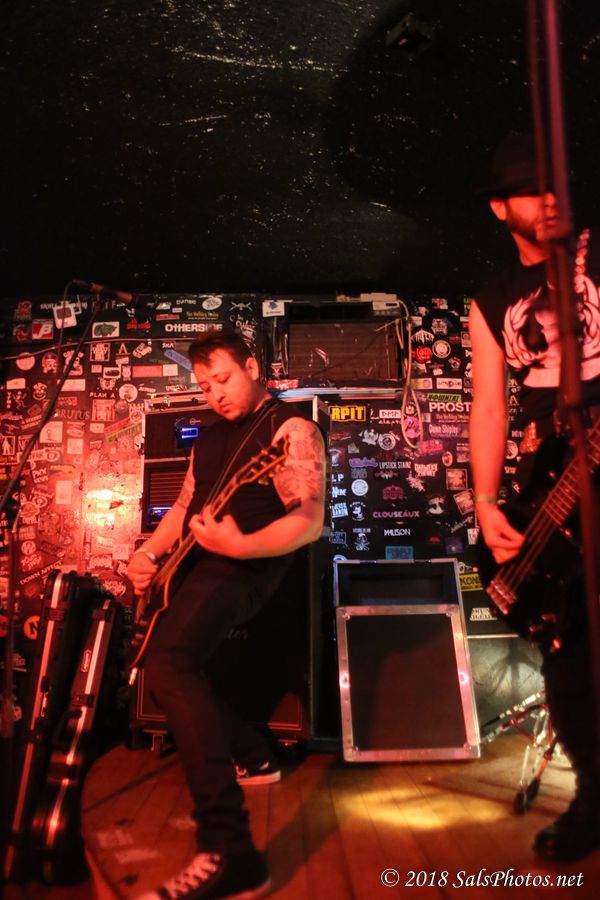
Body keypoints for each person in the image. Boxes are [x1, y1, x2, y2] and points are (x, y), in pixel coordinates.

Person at [127, 329, 326, 900]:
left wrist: (240, 546)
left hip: (247, 567)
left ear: (253, 367)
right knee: (164, 673)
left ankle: (231, 850)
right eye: (205, 385)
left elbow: (309, 522)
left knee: (169, 664)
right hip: (196, 566)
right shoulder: (209, 437)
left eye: (223, 379)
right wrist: (148, 555)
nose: (215, 393)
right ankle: (253, 755)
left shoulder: (290, 430)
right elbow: (184, 507)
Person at [469, 132, 600, 862]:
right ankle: (596, 800)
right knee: (568, 656)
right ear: (499, 208)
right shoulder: (492, 300)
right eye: (529, 188)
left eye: (556, 184)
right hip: (550, 483)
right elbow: (490, 408)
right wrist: (488, 502)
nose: (548, 198)